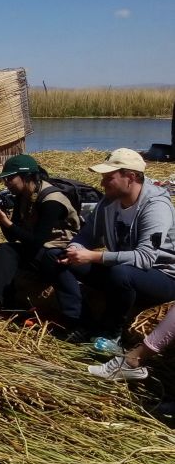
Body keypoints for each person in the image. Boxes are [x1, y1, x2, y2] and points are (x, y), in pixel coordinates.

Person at [51, 148, 175, 350]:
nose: (102, 183)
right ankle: (81, 322)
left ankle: (112, 332)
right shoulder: (108, 202)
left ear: (131, 177)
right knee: (57, 257)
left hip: (163, 277)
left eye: (109, 178)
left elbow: (144, 259)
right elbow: (88, 234)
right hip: (121, 272)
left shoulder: (156, 207)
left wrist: (93, 256)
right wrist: (75, 248)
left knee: (120, 272)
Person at [0, 154, 80, 318]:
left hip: (58, 254)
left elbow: (37, 241)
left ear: (26, 176)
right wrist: (2, 220)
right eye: (5, 179)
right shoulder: (22, 197)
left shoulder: (52, 201)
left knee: (9, 251)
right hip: (40, 251)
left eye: (10, 178)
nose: (6, 183)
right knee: (3, 249)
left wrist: (7, 223)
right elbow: (12, 238)